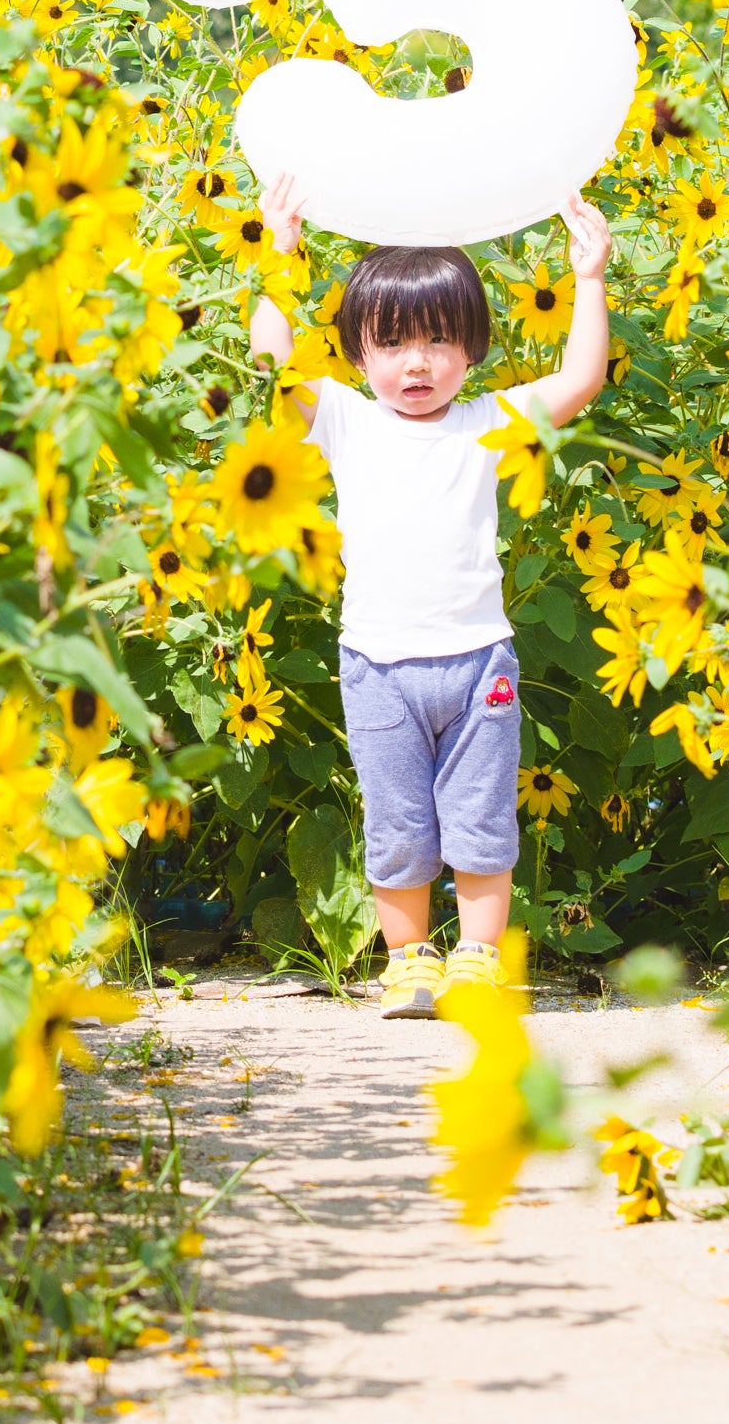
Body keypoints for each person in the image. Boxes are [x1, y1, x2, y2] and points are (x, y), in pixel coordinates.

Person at [247, 170, 617, 1018]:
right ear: (356, 350)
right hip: (377, 661)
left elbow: (581, 379)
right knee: (399, 819)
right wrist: (279, 255)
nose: (418, 363)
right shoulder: (344, 417)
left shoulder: (487, 420)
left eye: (440, 341)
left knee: (483, 817)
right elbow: (268, 365)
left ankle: (480, 958)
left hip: (477, 656)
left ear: (473, 347)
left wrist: (588, 278)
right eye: (393, 342)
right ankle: (411, 960)